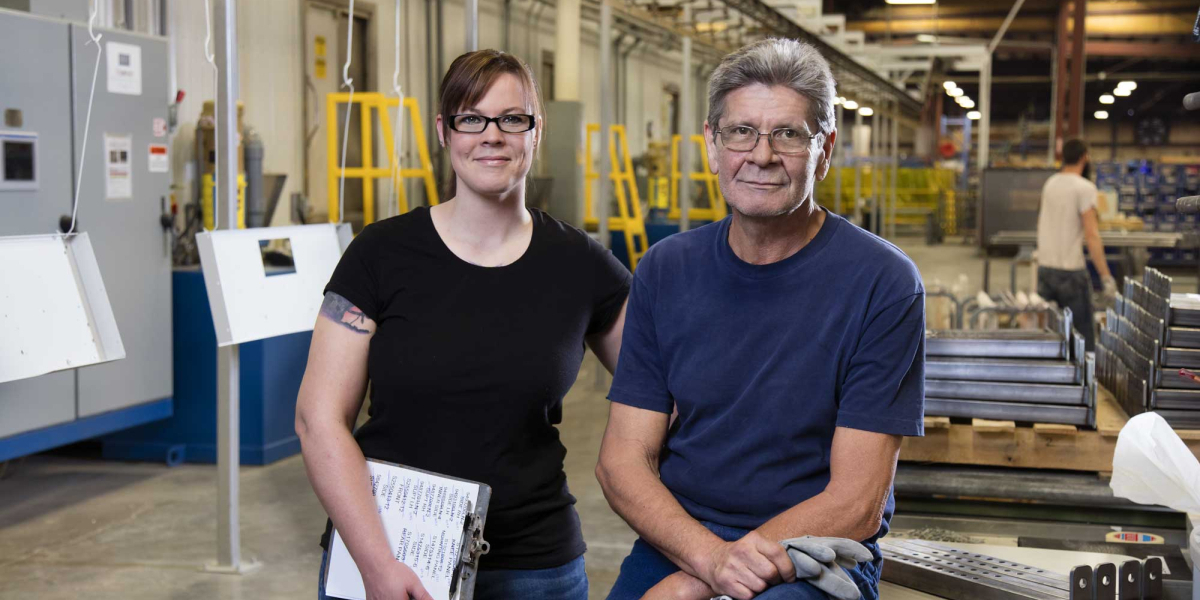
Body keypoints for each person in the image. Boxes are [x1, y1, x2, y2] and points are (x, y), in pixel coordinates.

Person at [595, 38, 926, 600]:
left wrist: (707, 583)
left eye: (789, 134)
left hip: (816, 550)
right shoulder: (666, 269)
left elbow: (858, 500)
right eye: (741, 131)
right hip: (685, 536)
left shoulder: (882, 282)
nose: (762, 155)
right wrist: (706, 562)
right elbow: (621, 461)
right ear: (711, 144)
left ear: (825, 150)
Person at [296, 49, 631, 600]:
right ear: (444, 131)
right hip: (392, 550)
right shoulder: (380, 254)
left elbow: (658, 394)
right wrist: (377, 564)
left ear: (536, 130)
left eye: (511, 118)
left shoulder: (581, 265)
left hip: (534, 567)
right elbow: (318, 419)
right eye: (471, 118)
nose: (491, 135)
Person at [1036, 138, 1115, 351]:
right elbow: (1091, 235)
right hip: (1070, 273)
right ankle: (1083, 383)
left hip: (1045, 269)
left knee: (1049, 338)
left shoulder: (1050, 183)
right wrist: (1105, 276)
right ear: (1084, 157)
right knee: (1082, 340)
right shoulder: (1085, 188)